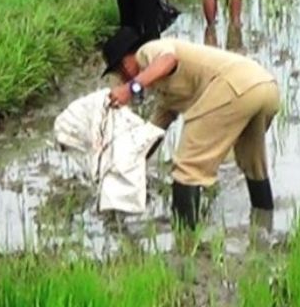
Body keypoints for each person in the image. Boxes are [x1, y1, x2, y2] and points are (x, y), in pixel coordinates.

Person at [101, 26, 280, 229]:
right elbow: (153, 132)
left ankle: (186, 242)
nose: (122, 78)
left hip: (235, 87)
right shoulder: (166, 93)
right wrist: (129, 165)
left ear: (127, 60)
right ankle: (265, 227)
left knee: (187, 167)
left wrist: (131, 88)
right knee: (253, 163)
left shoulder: (148, 51)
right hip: (266, 88)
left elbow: (168, 61)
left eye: (120, 72)